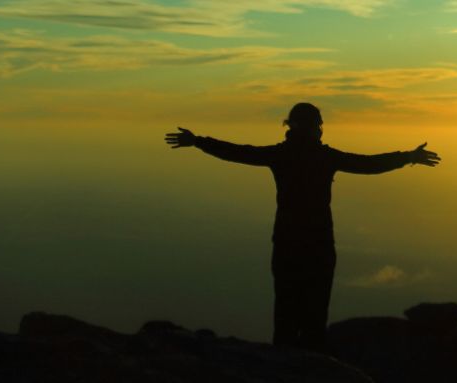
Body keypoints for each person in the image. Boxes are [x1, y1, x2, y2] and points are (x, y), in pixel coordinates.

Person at [164, 102, 440, 351]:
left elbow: (238, 153)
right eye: (317, 124)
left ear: (290, 126)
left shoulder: (282, 154)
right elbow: (367, 164)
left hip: (286, 241)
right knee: (315, 313)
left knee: (286, 310)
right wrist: (408, 157)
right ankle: (310, 366)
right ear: (316, 127)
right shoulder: (324, 156)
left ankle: (285, 367)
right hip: (318, 242)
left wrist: (198, 141)